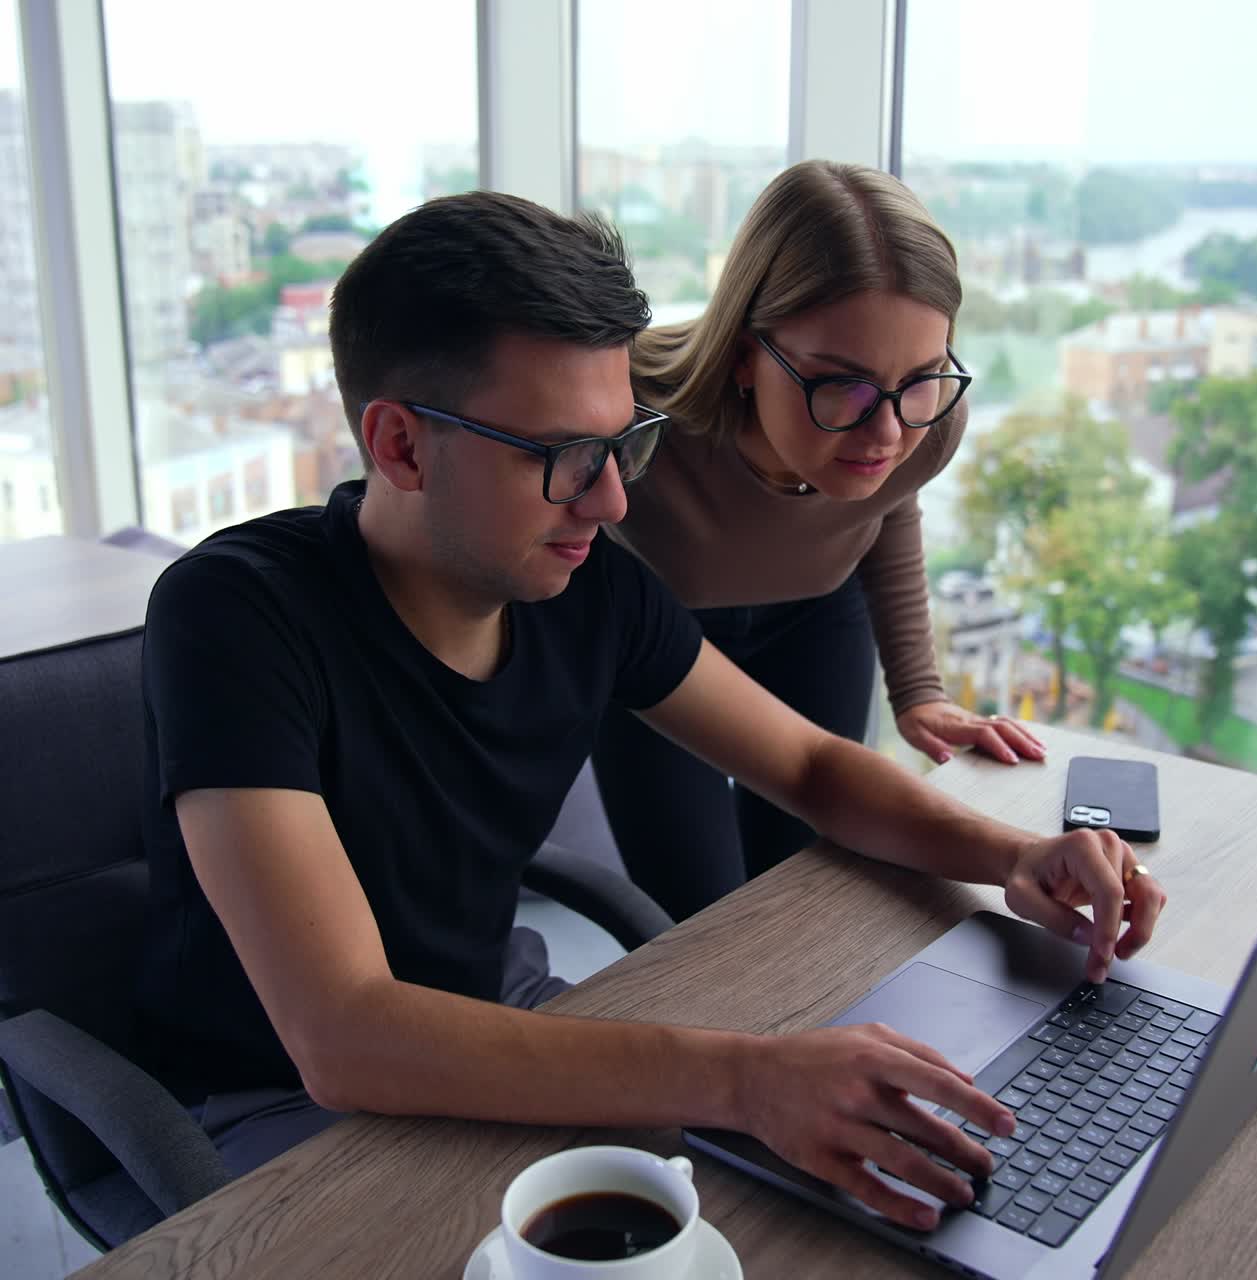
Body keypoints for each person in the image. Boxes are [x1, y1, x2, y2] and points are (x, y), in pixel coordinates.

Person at [135, 190, 1165, 1232]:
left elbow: (806, 767)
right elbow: (345, 1034)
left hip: (498, 1023)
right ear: (399, 445)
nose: (611, 500)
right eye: (561, 458)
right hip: (279, 1105)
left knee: (818, 1211)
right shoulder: (235, 614)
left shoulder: (587, 589)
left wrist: (1011, 854)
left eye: (620, 443)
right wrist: (740, 1078)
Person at [594, 160, 1043, 922]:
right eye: (844, 383)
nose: (888, 429)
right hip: (656, 642)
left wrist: (919, 692)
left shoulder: (928, 419)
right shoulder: (622, 408)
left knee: (810, 888)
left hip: (816, 617)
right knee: (698, 916)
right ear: (743, 352)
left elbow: (884, 507)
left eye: (923, 375)